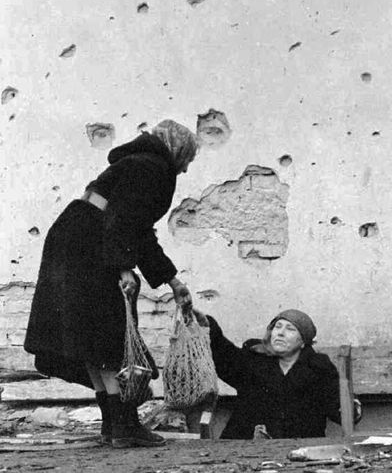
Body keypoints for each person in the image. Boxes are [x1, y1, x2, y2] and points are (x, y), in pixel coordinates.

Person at [24, 119, 198, 448]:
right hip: (93, 243)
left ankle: (114, 425)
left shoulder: (135, 163)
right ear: (177, 150)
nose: (185, 169)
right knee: (110, 331)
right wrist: (123, 268)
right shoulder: (152, 167)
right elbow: (124, 219)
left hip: (76, 236)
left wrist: (172, 281)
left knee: (94, 336)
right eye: (187, 159)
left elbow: (139, 231)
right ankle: (125, 425)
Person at [193, 308, 348, 439]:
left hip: (298, 448)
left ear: (303, 342)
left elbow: (336, 406)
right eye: (278, 327)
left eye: (290, 329)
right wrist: (208, 328)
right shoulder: (254, 359)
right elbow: (226, 357)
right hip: (246, 445)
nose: (280, 333)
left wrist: (352, 410)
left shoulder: (318, 367)